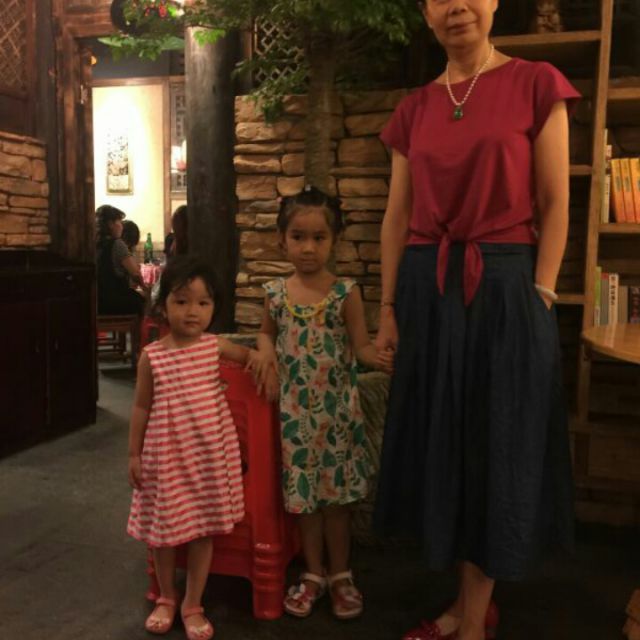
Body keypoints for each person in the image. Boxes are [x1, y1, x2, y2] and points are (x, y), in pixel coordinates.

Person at [373, 2, 580, 640]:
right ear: (425, 12)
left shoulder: (536, 83)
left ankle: (468, 623)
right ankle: (470, 610)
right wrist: (387, 309)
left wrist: (541, 293)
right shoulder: (414, 109)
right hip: (428, 286)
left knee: (497, 445)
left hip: (506, 286)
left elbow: (555, 200)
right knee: (448, 449)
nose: (456, 6)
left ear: (493, 2)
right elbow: (396, 217)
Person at [248, 186, 393, 621]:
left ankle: (342, 574)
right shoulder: (276, 293)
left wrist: (382, 358)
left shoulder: (345, 292)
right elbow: (265, 333)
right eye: (298, 236)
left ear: (335, 241)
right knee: (305, 503)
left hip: (338, 420)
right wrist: (265, 352)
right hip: (295, 422)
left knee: (337, 504)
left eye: (318, 237)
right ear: (282, 240)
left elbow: (361, 347)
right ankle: (313, 573)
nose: (308, 247)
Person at [126, 256, 257, 639]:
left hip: (208, 460)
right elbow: (140, 407)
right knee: (163, 532)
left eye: (203, 302)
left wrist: (264, 351)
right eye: (181, 301)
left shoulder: (215, 346)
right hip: (165, 459)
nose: (192, 311)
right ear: (163, 304)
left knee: (203, 531)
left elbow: (250, 355)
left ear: (214, 307)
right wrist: (134, 454)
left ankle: (192, 602)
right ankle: (167, 596)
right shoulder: (153, 356)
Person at [95, 205, 145, 315]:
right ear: (111, 224)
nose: (122, 226)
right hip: (116, 301)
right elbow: (136, 273)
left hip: (97, 302)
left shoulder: (95, 244)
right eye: (120, 222)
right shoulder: (117, 244)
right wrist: (146, 289)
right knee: (142, 302)